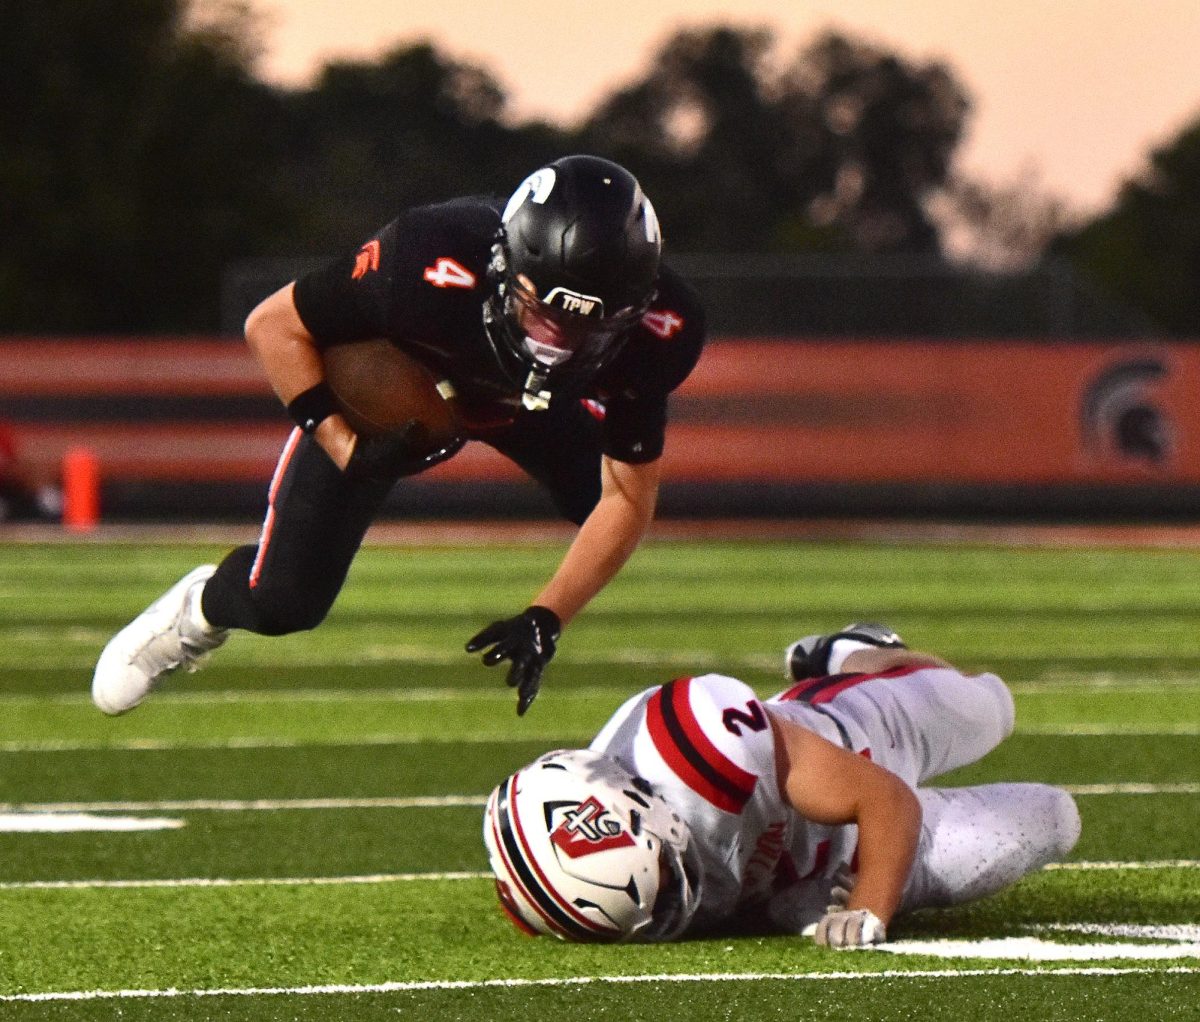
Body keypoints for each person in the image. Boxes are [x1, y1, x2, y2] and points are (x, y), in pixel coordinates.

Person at [92, 154, 705, 717]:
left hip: (527, 407)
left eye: (583, 332)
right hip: (418, 385)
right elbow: (273, 326)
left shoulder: (661, 329)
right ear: (505, 265)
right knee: (286, 603)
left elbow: (627, 500)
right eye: (541, 315)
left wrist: (548, 615)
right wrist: (341, 443)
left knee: (597, 507)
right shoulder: (427, 259)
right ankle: (195, 615)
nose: (555, 345)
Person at [483, 623, 1081, 945]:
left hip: (858, 745)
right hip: (819, 875)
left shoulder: (702, 746)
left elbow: (885, 798)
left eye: (664, 878)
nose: (675, 905)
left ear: (647, 807)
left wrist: (874, 905)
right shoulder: (571, 884)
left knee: (989, 707)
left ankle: (854, 655)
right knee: (1053, 818)